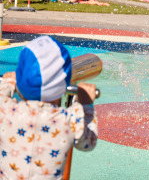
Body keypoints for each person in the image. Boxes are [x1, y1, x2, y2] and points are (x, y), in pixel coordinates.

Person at [0, 36, 97, 179]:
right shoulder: (69, 119)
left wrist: (8, 83)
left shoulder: (5, 111)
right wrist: (86, 104)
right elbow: (89, 142)